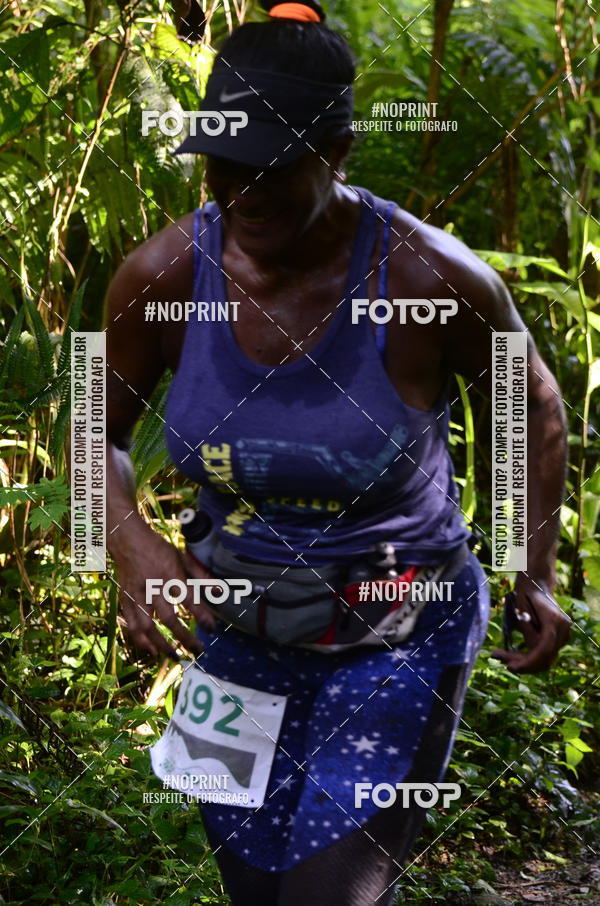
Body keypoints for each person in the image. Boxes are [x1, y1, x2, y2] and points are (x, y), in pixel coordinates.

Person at [105, 1, 572, 903]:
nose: (242, 195)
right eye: (223, 169)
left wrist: (532, 565)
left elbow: (533, 403)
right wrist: (132, 548)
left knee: (330, 894)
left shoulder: (431, 277)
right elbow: (96, 425)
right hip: (236, 641)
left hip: (397, 635)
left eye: (271, 170)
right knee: (252, 887)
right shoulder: (157, 274)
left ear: (338, 155)